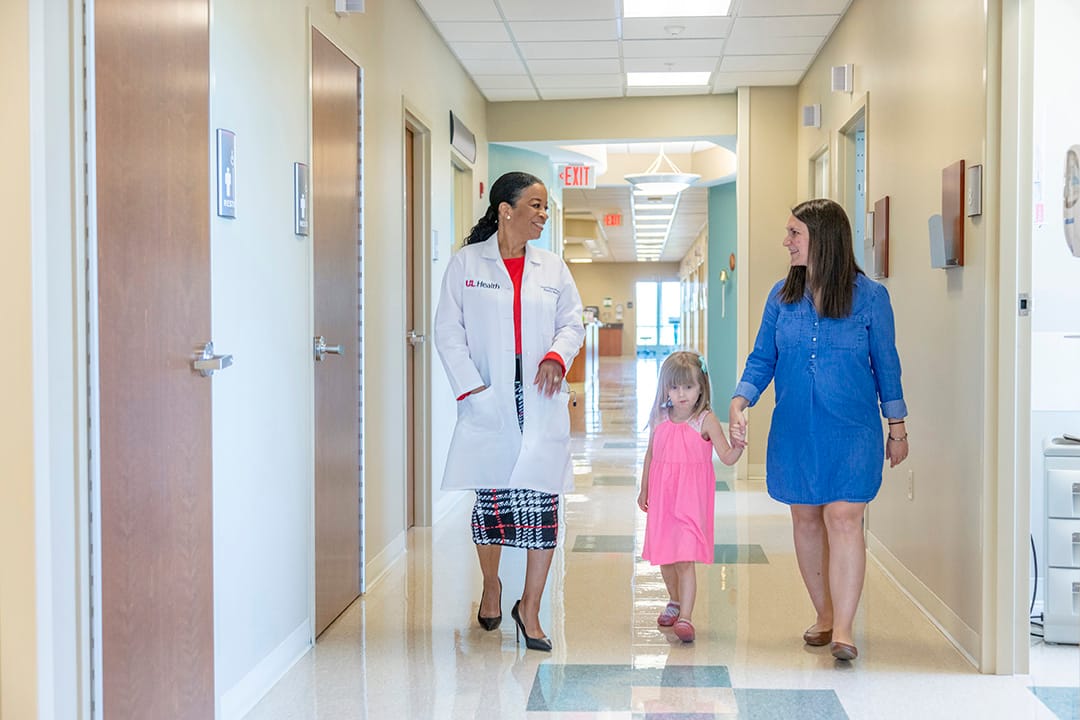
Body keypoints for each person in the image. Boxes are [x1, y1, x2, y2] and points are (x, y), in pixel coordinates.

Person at [728, 198, 908, 662]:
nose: (785, 242)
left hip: (852, 431)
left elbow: (887, 366)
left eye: (794, 234)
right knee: (806, 518)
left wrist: (898, 426)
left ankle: (845, 629)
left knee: (843, 518)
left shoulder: (870, 298)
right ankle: (825, 615)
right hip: (795, 429)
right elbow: (762, 358)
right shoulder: (780, 298)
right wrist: (740, 399)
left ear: (823, 239)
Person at [433, 171, 584, 652]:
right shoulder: (466, 264)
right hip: (490, 397)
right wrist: (471, 389)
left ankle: (531, 609)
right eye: (535, 205)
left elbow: (572, 322)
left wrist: (557, 356)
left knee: (543, 503)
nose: (543, 214)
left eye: (546, 207)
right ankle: (493, 584)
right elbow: (447, 331)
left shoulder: (553, 267)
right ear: (506, 209)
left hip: (539, 396)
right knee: (493, 503)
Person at [637, 350, 743, 643]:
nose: (681, 394)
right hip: (663, 498)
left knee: (684, 558)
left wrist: (738, 445)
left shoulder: (705, 420)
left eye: (688, 387)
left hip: (690, 501)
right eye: (674, 387)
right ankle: (674, 601)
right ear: (665, 387)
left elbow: (727, 456)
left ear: (701, 388)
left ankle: (686, 617)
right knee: (665, 558)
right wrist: (644, 488)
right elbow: (650, 454)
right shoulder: (659, 416)